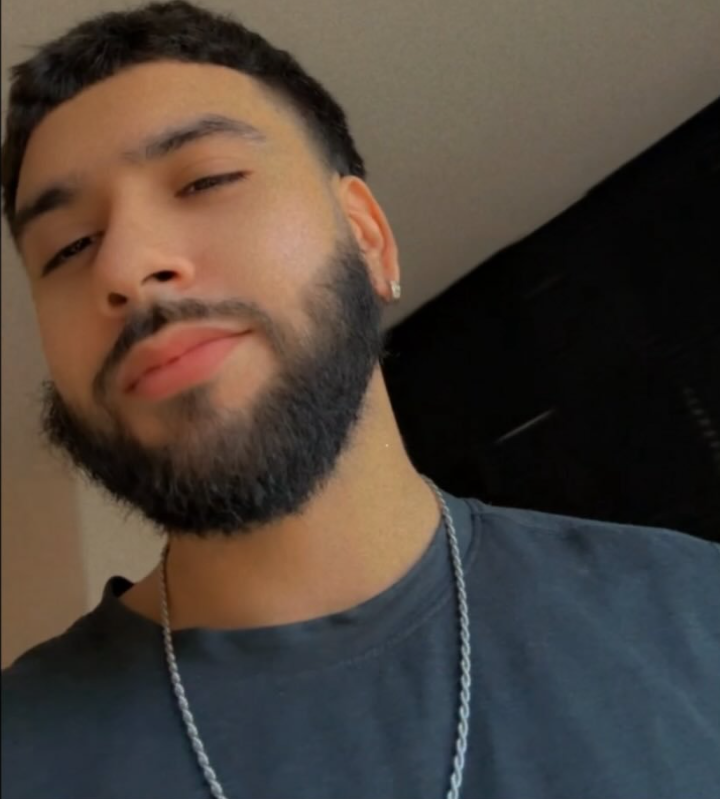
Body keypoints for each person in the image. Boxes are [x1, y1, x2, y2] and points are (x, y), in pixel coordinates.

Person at [1, 2, 718, 798]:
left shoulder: (693, 612)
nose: (124, 268)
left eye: (205, 180)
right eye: (68, 247)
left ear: (367, 237)